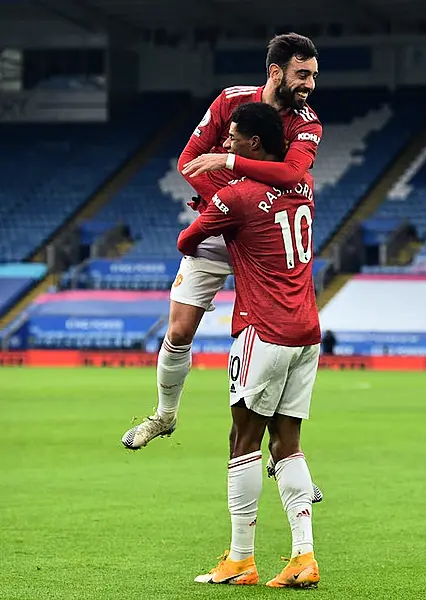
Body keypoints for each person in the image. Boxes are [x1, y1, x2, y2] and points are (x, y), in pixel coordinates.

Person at [121, 34, 322, 470]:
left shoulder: (307, 122)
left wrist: (234, 177)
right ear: (275, 72)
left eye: (312, 75)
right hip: (221, 223)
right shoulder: (230, 100)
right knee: (178, 330)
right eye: (301, 74)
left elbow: (291, 173)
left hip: (266, 236)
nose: (309, 84)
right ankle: (164, 416)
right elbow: (189, 160)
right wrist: (228, 204)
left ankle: (286, 456)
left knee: (272, 340)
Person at [177, 102, 321, 588]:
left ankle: (241, 558)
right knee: (289, 444)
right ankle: (304, 555)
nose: (227, 145)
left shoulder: (236, 197)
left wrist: (217, 212)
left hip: (263, 329)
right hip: (307, 331)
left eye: (234, 138)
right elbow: (282, 177)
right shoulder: (303, 186)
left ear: (253, 143)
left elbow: (187, 240)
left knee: (243, 441)